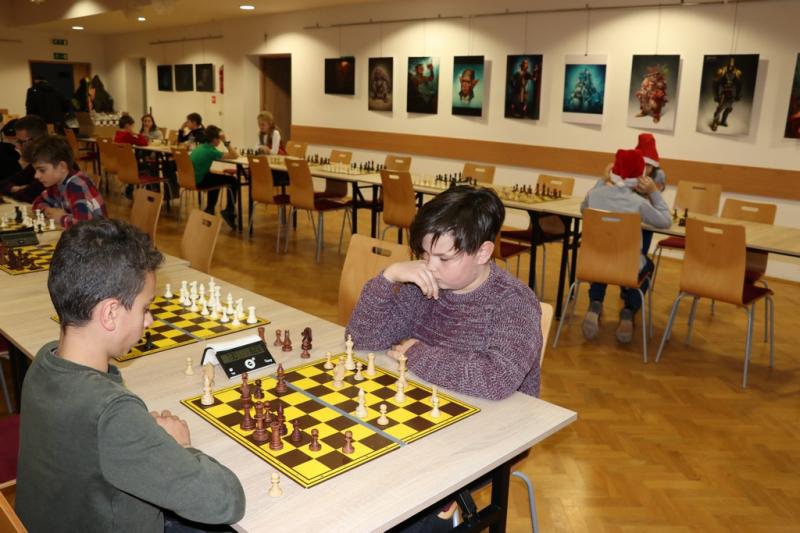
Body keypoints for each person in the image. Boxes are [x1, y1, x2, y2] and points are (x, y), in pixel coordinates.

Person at [16, 218, 246, 532]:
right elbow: (226, 501)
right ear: (110, 313)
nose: (149, 321)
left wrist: (141, 438)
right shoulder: (111, 413)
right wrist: (181, 447)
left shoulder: (45, 361)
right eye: (145, 309)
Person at [346, 185, 542, 401]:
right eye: (425, 254)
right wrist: (388, 278)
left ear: (482, 252)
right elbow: (362, 340)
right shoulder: (421, 284)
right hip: (427, 401)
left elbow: (495, 379)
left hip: (495, 416)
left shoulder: (515, 302)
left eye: (444, 258)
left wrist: (416, 352)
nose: (430, 266)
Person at [580, 148, 671, 344]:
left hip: (594, 264)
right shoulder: (638, 203)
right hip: (627, 268)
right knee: (648, 265)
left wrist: (601, 180)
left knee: (604, 259)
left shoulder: (595, 195)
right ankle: (629, 311)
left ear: (613, 171)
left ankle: (595, 303)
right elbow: (666, 221)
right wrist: (654, 192)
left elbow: (583, 210)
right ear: (639, 177)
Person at [25, 134, 107, 228]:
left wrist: (60, 218)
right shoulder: (57, 183)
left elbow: (83, 227)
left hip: (97, 236)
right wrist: (47, 210)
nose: (36, 175)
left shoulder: (76, 186)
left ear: (62, 167)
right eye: (35, 170)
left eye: (42, 170)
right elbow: (37, 202)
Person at [190, 125, 239, 229]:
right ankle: (229, 211)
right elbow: (235, 155)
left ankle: (210, 208)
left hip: (191, 180)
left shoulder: (200, 147)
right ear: (214, 139)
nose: (220, 141)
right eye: (219, 139)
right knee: (233, 180)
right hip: (199, 181)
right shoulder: (211, 151)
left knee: (214, 177)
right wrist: (225, 141)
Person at [0, 115, 47, 203]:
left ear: (36, 140)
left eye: (21, 142)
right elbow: (2, 184)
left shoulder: (49, 163)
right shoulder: (33, 164)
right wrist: (17, 188)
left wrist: (20, 190)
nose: (17, 146)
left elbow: (25, 195)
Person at [634, 133, 668, 255]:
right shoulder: (631, 171)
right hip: (632, 214)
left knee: (646, 233)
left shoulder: (658, 174)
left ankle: (642, 256)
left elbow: (656, 197)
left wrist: (650, 190)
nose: (644, 168)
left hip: (648, 213)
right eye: (641, 164)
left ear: (653, 165)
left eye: (647, 165)